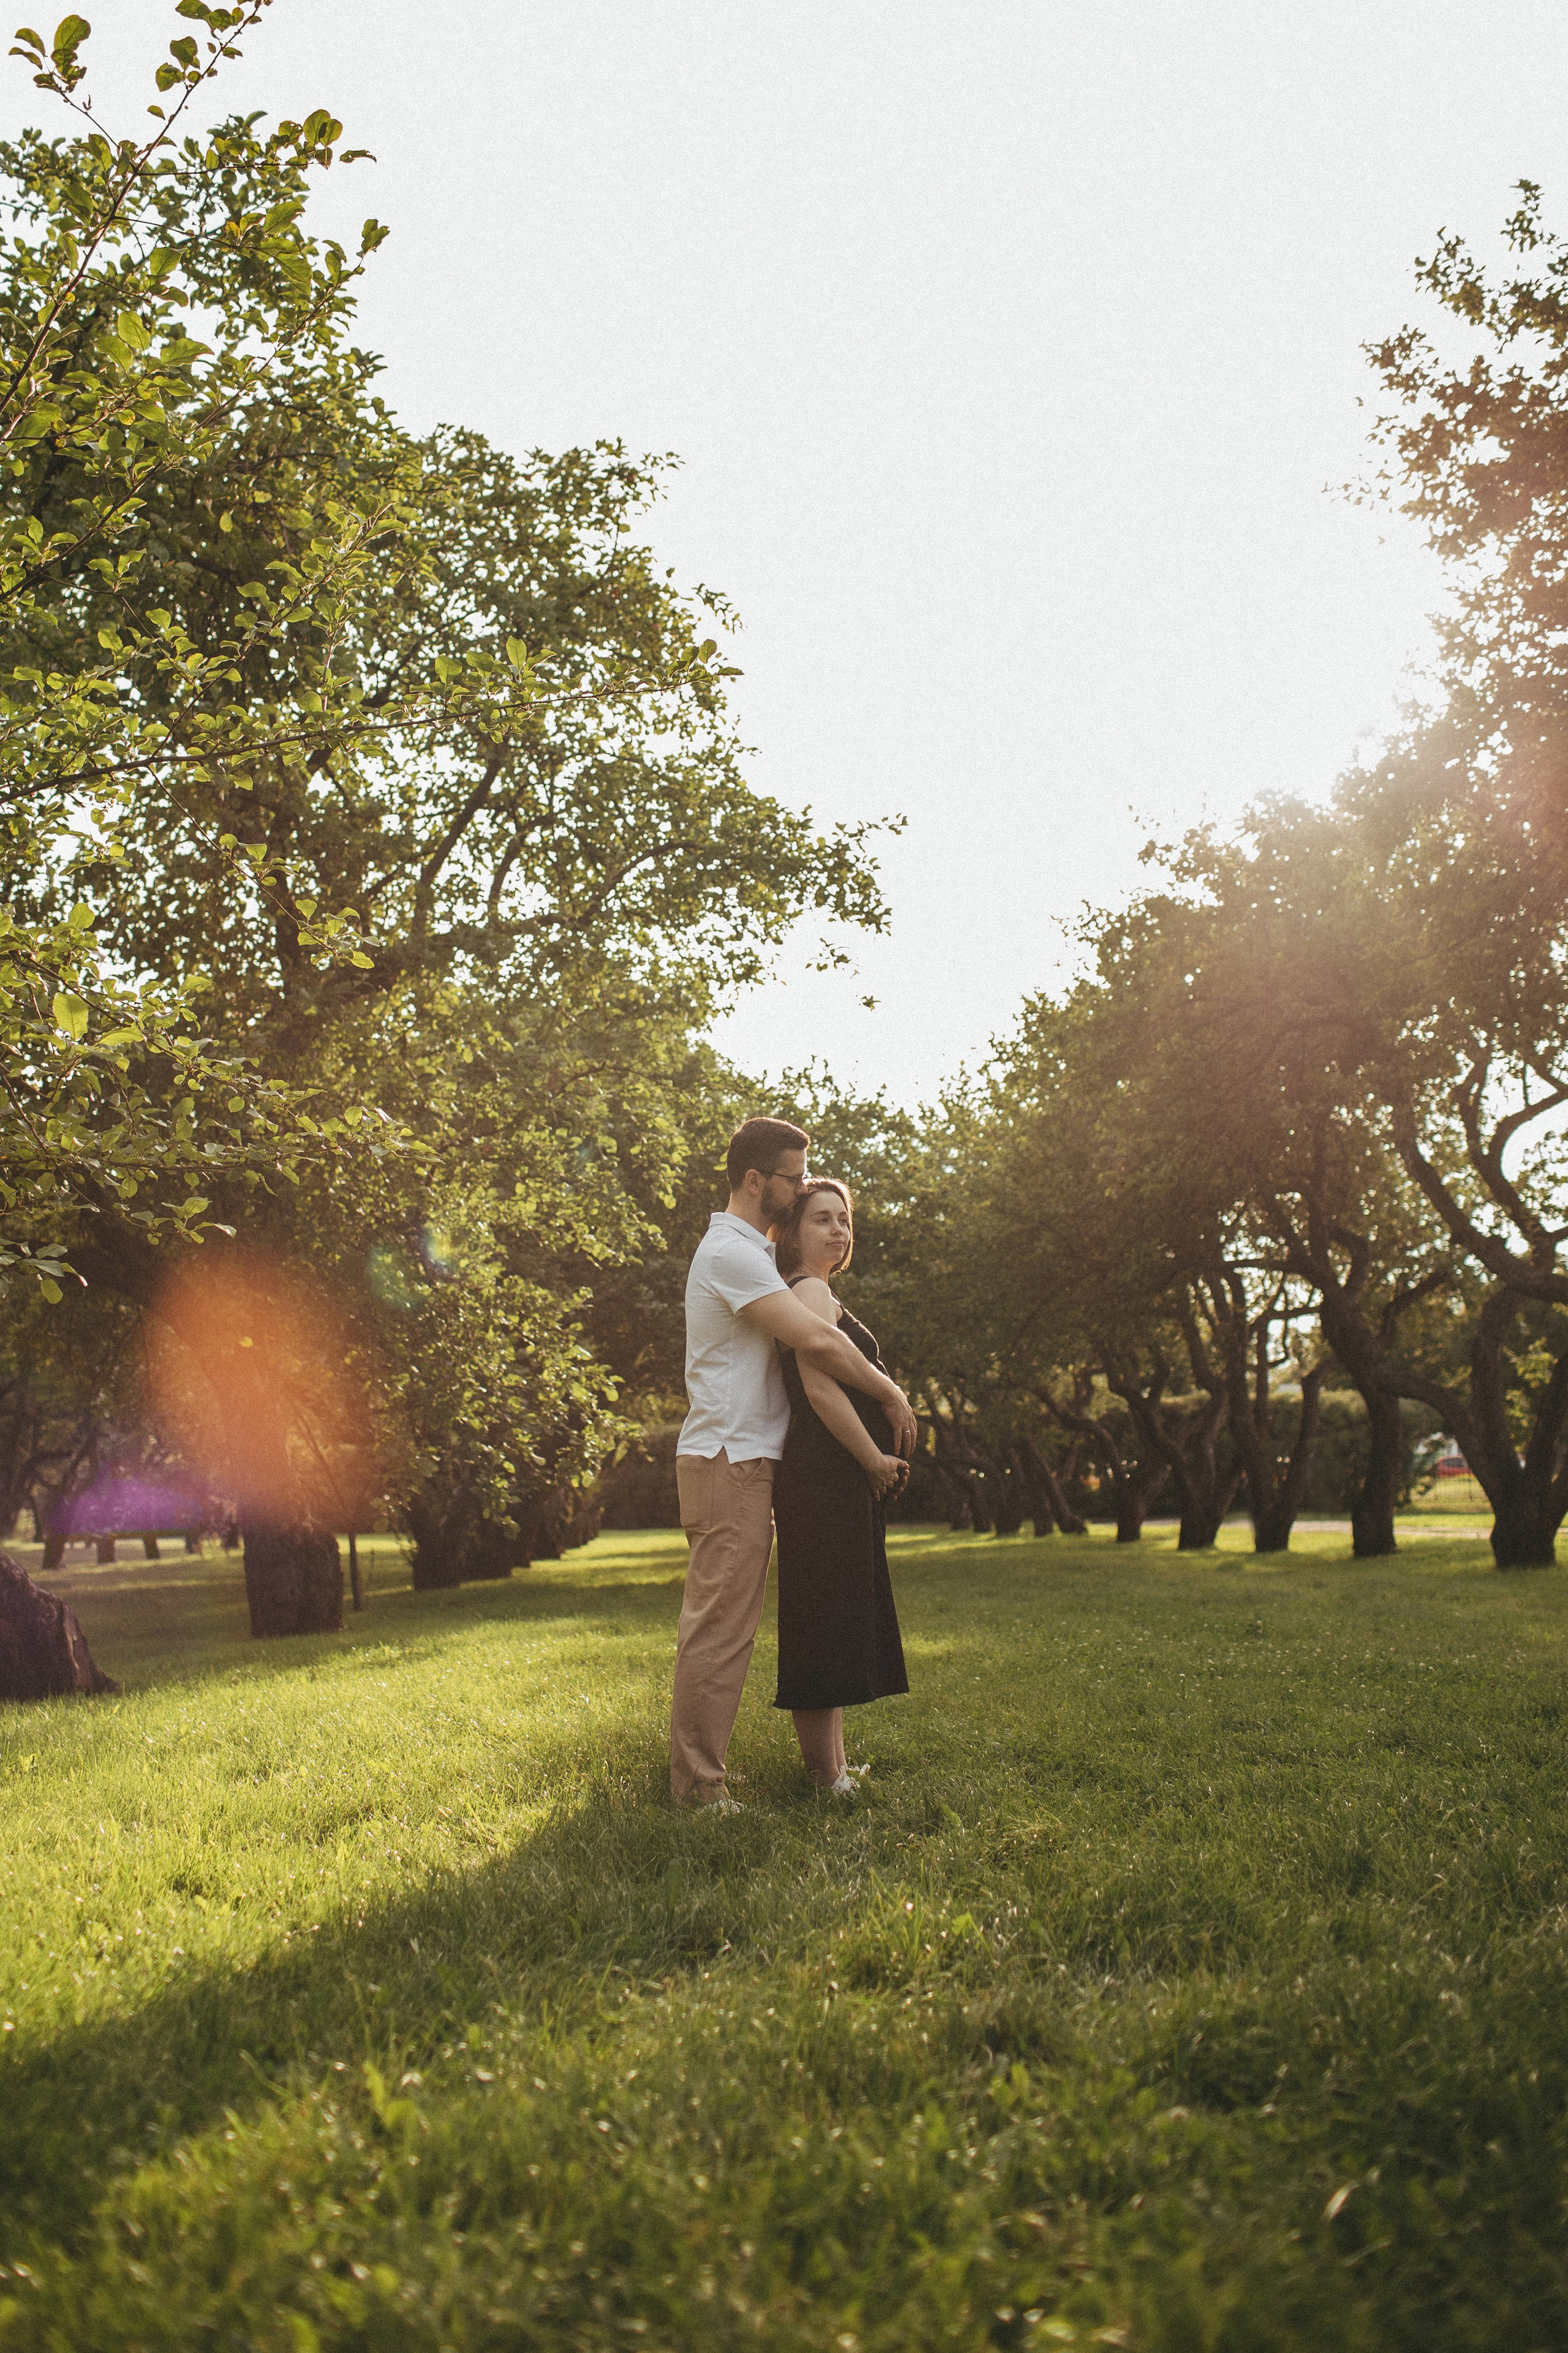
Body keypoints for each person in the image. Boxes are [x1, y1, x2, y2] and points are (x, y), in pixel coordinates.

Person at [671, 1116, 918, 1811]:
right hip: (728, 1457)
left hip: (743, 1458)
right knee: (719, 1629)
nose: (803, 1187)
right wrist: (891, 1390)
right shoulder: (731, 1252)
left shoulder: (744, 1249)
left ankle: (704, 1772)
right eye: (795, 1178)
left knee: (728, 1626)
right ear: (757, 1181)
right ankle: (697, 1788)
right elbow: (816, 1338)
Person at [769, 1179, 909, 1796]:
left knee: (830, 1613)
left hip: (825, 1476)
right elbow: (820, 1387)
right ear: (794, 1233)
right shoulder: (811, 1291)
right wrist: (873, 1458)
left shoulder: (810, 1292)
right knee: (823, 1618)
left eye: (844, 1220)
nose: (838, 1231)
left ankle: (834, 1769)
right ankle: (827, 1779)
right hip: (823, 1475)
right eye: (822, 1220)